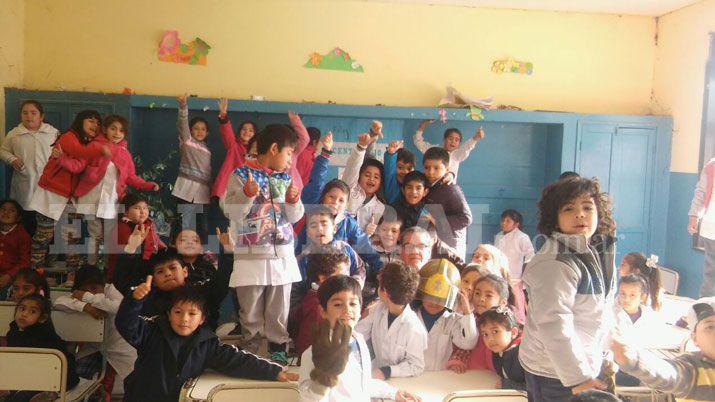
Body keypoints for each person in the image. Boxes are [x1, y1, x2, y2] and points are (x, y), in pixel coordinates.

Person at [519, 177, 617, 401]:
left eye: (587, 207)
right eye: (568, 208)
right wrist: (578, 378)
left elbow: (599, 311)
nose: (580, 214)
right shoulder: (555, 261)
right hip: (556, 373)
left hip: (584, 364)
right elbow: (554, 322)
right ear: (555, 219)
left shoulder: (595, 250)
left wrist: (607, 350)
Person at [116, 282, 297, 402]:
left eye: (192, 314)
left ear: (202, 319)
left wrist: (273, 371)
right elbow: (126, 324)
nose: (184, 319)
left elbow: (237, 360)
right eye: (178, 312)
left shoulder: (207, 343)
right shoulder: (151, 331)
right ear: (169, 314)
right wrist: (134, 300)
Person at [222, 124, 303, 363]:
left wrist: (293, 201)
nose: (290, 160)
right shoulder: (239, 175)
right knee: (251, 309)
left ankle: (279, 348)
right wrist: (247, 195)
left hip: (282, 255)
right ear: (275, 148)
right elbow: (232, 213)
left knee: (279, 307)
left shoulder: (286, 178)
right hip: (251, 255)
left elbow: (295, 217)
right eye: (289, 153)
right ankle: (250, 352)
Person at [297, 275, 421, 401]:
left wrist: (394, 393)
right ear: (323, 311)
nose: (347, 310)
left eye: (353, 303)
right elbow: (308, 398)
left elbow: (363, 383)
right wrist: (323, 378)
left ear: (360, 308)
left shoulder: (359, 341)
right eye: (338, 304)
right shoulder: (313, 353)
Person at [57, 114, 158, 265]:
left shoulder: (124, 154)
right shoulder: (94, 146)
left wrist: (148, 185)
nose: (117, 133)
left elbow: (131, 177)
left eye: (121, 131)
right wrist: (61, 159)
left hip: (111, 202)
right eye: (113, 129)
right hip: (90, 198)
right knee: (94, 235)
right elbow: (79, 165)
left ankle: (107, 269)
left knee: (110, 237)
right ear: (104, 129)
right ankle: (91, 268)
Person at [28, 109, 109, 270]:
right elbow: (78, 154)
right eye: (91, 120)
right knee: (43, 237)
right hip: (51, 193)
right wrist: (100, 150)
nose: (95, 125)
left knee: (71, 238)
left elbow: (80, 166)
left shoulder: (90, 144)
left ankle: (72, 275)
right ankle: (36, 273)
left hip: (71, 197)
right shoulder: (69, 136)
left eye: (98, 123)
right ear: (80, 121)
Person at [295, 131, 383, 271]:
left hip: (338, 278)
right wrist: (325, 154)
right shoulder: (313, 210)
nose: (335, 203)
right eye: (331, 197)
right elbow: (316, 182)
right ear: (323, 197)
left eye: (341, 200)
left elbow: (366, 248)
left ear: (346, 204)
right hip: (306, 275)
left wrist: (382, 269)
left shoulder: (349, 224)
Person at [53, 265, 137, 401]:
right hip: (95, 348)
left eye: (94, 289)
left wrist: (88, 298)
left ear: (103, 285)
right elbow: (58, 303)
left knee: (135, 385)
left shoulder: (109, 290)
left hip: (121, 347)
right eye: (85, 290)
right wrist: (84, 307)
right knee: (77, 379)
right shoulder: (79, 296)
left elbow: (121, 307)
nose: (91, 293)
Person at [612, 297, 715, 401]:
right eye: (710, 327)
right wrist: (632, 358)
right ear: (695, 338)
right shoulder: (693, 369)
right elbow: (669, 373)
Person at [355, 261, 428, 378]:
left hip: (401, 382)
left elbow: (416, 366)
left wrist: (387, 371)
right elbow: (358, 333)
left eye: (380, 286)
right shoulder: (378, 309)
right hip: (375, 375)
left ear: (385, 292)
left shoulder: (414, 328)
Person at [4, 294, 79, 401]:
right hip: (25, 375)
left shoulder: (44, 336)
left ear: (42, 318)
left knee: (21, 396)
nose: (24, 314)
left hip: (55, 377)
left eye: (32, 312)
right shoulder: (13, 332)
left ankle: (48, 394)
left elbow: (52, 368)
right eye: (22, 309)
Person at [0, 100, 59, 234]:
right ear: (21, 115)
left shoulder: (52, 133)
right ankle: (28, 252)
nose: (29, 116)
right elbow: (3, 151)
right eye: (25, 113)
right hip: (25, 183)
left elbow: (63, 152)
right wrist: (12, 159)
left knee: (48, 225)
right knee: (27, 221)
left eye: (33, 113)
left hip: (48, 186)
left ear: (41, 116)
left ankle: (47, 253)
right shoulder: (14, 134)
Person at [413, 259, 477, 370]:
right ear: (421, 293)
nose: (433, 303)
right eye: (429, 297)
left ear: (450, 298)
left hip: (440, 378)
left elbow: (468, 343)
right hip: (411, 376)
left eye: (439, 299)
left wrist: (466, 310)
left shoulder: (453, 320)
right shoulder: (410, 316)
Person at [447, 274, 514, 373]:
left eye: (489, 295)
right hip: (471, 376)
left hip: (496, 377)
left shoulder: (506, 324)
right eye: (477, 293)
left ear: (503, 302)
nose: (481, 299)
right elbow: (463, 348)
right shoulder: (468, 319)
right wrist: (457, 362)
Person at [289, 249, 347, 357]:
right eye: (342, 275)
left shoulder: (324, 297)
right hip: (317, 363)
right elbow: (306, 342)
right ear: (323, 278)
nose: (347, 280)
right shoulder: (317, 304)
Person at [172, 94, 211, 241]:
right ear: (190, 130)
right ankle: (177, 255)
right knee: (183, 225)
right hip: (185, 191)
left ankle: (204, 256)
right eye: (196, 128)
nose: (200, 131)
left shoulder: (207, 150)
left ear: (207, 133)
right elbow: (182, 124)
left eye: (203, 129)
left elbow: (207, 173)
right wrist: (183, 107)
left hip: (203, 193)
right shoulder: (187, 142)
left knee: (203, 227)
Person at [422, 147, 472, 259]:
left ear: (447, 169)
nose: (430, 172)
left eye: (436, 168)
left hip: (450, 248)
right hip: (433, 244)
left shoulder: (451, 190)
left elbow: (466, 218)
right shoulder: (427, 185)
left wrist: (437, 220)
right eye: (427, 167)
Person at [341, 127, 386, 235]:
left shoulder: (380, 207)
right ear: (359, 176)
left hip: (360, 246)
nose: (371, 179)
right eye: (367, 175)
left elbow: (369, 237)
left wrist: (368, 234)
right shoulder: (349, 188)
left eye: (376, 177)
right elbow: (353, 167)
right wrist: (361, 147)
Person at [212, 97, 257, 200]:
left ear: (255, 134)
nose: (247, 132)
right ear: (239, 131)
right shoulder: (234, 146)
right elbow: (227, 133)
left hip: (247, 191)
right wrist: (223, 116)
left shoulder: (258, 152)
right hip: (228, 189)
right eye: (244, 129)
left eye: (251, 130)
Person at [413, 120, 485, 180]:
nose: (453, 141)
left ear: (459, 143)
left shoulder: (457, 155)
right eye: (450, 139)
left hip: (449, 188)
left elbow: (467, 147)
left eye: (456, 140)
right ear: (444, 140)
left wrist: (476, 138)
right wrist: (422, 126)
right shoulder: (434, 150)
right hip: (432, 185)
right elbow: (418, 142)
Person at [479, 307, 526, 391]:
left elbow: (539, 389)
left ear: (513, 332)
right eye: (485, 334)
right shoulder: (497, 351)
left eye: (495, 331)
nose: (490, 339)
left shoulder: (525, 354)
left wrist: (508, 385)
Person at [689, 157, 715, 297]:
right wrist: (694, 216)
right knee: (711, 275)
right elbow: (700, 193)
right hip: (711, 229)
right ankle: (705, 312)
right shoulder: (711, 167)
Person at [0, 199, 30, 299]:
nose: (6, 213)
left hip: (11, 278)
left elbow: (24, 262)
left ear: (18, 217)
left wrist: (8, 276)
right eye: (3, 209)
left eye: (11, 211)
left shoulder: (22, 235)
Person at [382, 140, 416, 204]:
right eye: (400, 167)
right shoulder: (392, 186)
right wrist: (391, 153)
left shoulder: (416, 186)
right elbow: (389, 171)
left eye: (409, 169)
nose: (405, 172)